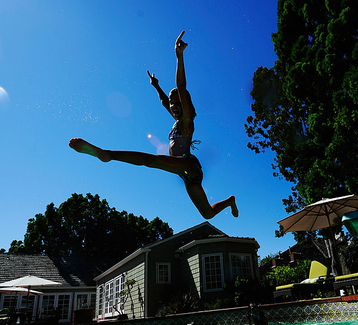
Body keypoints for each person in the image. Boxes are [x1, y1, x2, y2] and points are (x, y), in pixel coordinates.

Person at [69, 31, 238, 220]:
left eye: (178, 102)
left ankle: (108, 154)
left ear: (186, 105)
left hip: (188, 165)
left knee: (153, 161)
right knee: (207, 214)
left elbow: (181, 87)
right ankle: (230, 200)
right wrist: (156, 85)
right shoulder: (176, 120)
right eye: (173, 103)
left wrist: (179, 57)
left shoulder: (186, 121)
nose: (173, 105)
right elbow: (164, 101)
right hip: (184, 174)